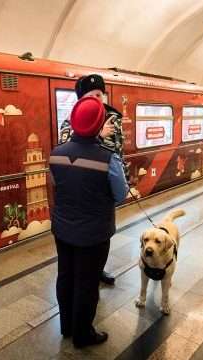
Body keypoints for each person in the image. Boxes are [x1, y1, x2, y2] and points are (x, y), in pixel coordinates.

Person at [49, 96, 129, 348]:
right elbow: (120, 193)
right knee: (87, 282)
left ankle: (67, 327)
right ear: (98, 126)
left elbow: (58, 186)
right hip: (94, 233)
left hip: (62, 229)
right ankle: (83, 335)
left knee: (66, 276)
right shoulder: (108, 158)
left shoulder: (56, 154)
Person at [59, 74, 132, 285]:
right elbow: (68, 153)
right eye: (92, 95)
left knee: (102, 234)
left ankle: (97, 269)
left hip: (105, 188)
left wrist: (122, 184)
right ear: (82, 100)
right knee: (83, 234)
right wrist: (98, 136)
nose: (98, 99)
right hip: (81, 187)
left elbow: (118, 153)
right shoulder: (71, 121)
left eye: (100, 94)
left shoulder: (114, 119)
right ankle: (84, 275)